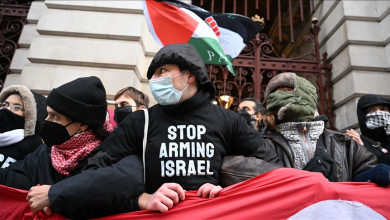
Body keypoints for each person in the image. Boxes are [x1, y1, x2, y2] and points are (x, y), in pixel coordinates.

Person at [26, 43, 281, 216]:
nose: (155, 79)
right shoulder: (142, 121)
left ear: (189, 75)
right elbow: (94, 170)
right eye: (154, 74)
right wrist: (141, 199)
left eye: (163, 71)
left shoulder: (228, 120)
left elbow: (271, 167)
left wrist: (230, 191)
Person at [0, 77, 144, 219]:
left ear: (82, 124)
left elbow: (120, 189)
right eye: (48, 113)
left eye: (55, 116)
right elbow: (19, 179)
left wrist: (53, 196)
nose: (46, 120)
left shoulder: (112, 154)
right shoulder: (46, 151)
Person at [261, 72, 378, 182]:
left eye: (286, 90)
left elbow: (366, 173)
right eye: (273, 94)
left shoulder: (345, 143)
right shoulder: (263, 144)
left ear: (305, 94)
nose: (278, 97)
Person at [0, 85, 47, 168]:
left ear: (31, 116)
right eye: (4, 105)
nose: (6, 110)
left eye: (17, 108)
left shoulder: (35, 149)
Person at [350, 95, 390, 166]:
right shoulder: (358, 143)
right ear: (363, 115)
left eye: (383, 109)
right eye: (371, 110)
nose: (379, 113)